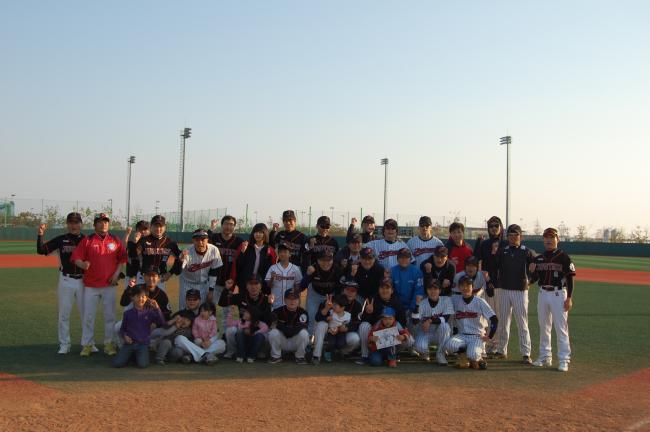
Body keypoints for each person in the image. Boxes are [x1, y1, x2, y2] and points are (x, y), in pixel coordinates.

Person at [71, 213, 127, 357]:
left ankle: (109, 343)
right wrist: (82, 264)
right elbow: (76, 258)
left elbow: (122, 259)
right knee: (89, 316)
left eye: (106, 222)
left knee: (110, 316)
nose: (104, 224)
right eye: (100, 222)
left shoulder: (115, 240)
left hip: (110, 285)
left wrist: (116, 274)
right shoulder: (87, 240)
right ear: (95, 225)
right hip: (91, 286)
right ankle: (87, 344)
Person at [36, 212, 86, 354]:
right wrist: (40, 234)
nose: (73, 225)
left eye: (76, 222)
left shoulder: (87, 240)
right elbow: (41, 250)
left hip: (83, 281)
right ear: (67, 224)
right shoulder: (61, 240)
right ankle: (64, 344)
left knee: (86, 314)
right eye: (71, 222)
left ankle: (88, 343)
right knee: (64, 314)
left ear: (81, 224)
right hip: (66, 280)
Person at [529, 227, 576, 372]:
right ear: (543, 240)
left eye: (551, 237)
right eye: (546, 238)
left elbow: (570, 278)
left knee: (561, 328)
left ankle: (564, 359)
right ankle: (545, 356)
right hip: (543, 293)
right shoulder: (539, 258)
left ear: (557, 239)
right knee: (544, 327)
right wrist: (531, 274)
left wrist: (569, 298)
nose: (549, 240)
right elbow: (535, 278)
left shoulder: (564, 257)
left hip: (558, 294)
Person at [488, 224, 535, 363]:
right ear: (507, 237)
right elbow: (494, 267)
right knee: (503, 322)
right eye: (510, 235)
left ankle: (526, 353)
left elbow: (536, 268)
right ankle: (502, 350)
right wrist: (493, 254)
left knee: (522, 322)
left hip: (520, 291)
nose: (513, 237)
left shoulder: (527, 251)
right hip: (504, 290)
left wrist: (530, 281)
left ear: (521, 236)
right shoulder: (503, 251)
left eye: (516, 235)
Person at [445, 276, 498, 370]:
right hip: (462, 335)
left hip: (477, 336)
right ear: (459, 287)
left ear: (472, 287)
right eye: (462, 285)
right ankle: (465, 357)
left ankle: (477, 358)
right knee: (449, 345)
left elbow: (494, 319)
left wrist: (489, 336)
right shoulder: (455, 300)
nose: (465, 288)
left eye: (468, 285)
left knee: (473, 354)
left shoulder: (480, 301)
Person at [219, 276, 274, 359]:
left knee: (270, 333)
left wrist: (270, 304)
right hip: (243, 329)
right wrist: (226, 289)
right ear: (246, 286)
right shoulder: (241, 296)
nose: (253, 287)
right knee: (230, 330)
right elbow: (222, 303)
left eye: (256, 283)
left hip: (259, 330)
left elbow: (268, 322)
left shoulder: (266, 299)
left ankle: (261, 351)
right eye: (251, 284)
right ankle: (232, 351)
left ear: (261, 286)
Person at [474, 216, 506, 356]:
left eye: (496, 225)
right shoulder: (485, 243)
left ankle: (499, 346)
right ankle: (488, 345)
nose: (493, 228)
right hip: (487, 284)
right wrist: (478, 244)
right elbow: (477, 260)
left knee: (500, 317)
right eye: (491, 226)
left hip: (501, 286)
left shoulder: (505, 243)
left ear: (501, 227)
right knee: (487, 317)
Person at [112, 285, 165, 368]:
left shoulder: (149, 313)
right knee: (117, 364)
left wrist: (157, 308)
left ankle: (135, 356)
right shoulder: (127, 313)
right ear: (132, 297)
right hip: (129, 344)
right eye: (138, 296)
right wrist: (125, 336)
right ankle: (131, 355)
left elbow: (161, 322)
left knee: (142, 365)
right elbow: (122, 329)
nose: (141, 299)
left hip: (142, 344)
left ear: (147, 298)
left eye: (143, 297)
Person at [356, 278, 408, 365]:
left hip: (391, 335)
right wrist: (368, 313)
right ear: (378, 289)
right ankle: (365, 356)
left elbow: (403, 322)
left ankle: (394, 354)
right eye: (382, 288)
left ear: (392, 290)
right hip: (375, 334)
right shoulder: (371, 300)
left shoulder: (397, 302)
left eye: (387, 288)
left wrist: (401, 335)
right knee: (364, 326)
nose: (384, 290)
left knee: (408, 339)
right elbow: (363, 321)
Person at [312, 278, 363, 364]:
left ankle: (342, 353)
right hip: (328, 331)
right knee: (321, 325)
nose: (350, 292)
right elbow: (317, 318)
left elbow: (357, 323)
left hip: (342, 333)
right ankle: (317, 355)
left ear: (356, 293)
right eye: (347, 289)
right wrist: (326, 308)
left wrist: (347, 328)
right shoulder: (331, 300)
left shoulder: (357, 306)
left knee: (355, 339)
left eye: (353, 291)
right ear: (343, 290)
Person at [127, 215, 182, 291]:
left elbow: (180, 257)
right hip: (143, 278)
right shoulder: (143, 240)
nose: (158, 229)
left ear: (165, 227)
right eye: (156, 226)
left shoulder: (170, 242)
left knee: (158, 298)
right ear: (151, 227)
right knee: (141, 298)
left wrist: (170, 273)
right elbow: (133, 255)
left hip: (159, 279)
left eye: (161, 226)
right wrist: (135, 242)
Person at [299, 250, 343, 335]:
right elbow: (302, 287)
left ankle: (327, 337)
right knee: (312, 316)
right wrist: (307, 275)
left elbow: (339, 288)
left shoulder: (337, 269)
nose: (326, 263)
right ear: (318, 260)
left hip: (331, 295)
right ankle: (310, 338)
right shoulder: (313, 268)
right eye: (323, 260)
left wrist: (336, 302)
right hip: (315, 294)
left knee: (331, 317)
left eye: (328, 260)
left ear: (332, 260)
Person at [178, 229, 223, 310]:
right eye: (197, 240)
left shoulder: (214, 250)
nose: (200, 242)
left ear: (207, 240)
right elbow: (178, 270)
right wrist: (180, 261)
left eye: (203, 239)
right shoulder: (187, 251)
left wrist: (211, 290)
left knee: (201, 310)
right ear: (193, 240)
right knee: (185, 310)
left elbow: (214, 270)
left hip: (203, 284)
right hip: (187, 284)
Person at [208, 215, 244, 309]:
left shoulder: (239, 241)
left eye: (231, 224)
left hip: (230, 282)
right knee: (210, 308)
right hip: (214, 281)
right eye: (226, 224)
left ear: (234, 227)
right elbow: (205, 240)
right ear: (222, 225)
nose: (228, 226)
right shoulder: (214, 238)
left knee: (227, 310)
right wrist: (211, 228)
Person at [413, 280, 453, 364]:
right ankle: (425, 352)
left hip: (440, 333)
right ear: (427, 290)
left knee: (445, 326)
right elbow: (415, 321)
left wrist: (429, 321)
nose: (432, 291)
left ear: (440, 290)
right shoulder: (422, 303)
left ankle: (440, 354)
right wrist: (417, 305)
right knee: (419, 347)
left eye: (435, 289)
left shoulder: (446, 300)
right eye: (430, 289)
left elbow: (446, 318)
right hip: (426, 332)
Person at [232, 223, 277, 293]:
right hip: (245, 285)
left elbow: (271, 270)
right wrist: (242, 252)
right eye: (256, 232)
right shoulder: (245, 246)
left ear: (265, 234)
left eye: (260, 232)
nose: (258, 234)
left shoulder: (270, 250)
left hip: (261, 286)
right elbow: (238, 266)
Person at [268, 289, 310, 364]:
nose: (292, 301)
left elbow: (299, 328)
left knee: (304, 334)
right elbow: (272, 324)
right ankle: (276, 356)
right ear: (284, 300)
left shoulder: (303, 312)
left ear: (299, 300)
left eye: (295, 299)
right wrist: (286, 328)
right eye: (289, 299)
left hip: (295, 342)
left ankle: (300, 357)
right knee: (273, 333)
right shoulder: (277, 311)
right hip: (283, 341)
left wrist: (281, 326)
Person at [390, 248, 424, 324]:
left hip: (412, 307)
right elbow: (390, 292)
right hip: (396, 307)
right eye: (401, 257)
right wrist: (397, 307)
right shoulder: (392, 271)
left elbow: (419, 291)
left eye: (406, 257)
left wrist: (413, 308)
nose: (404, 260)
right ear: (397, 259)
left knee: (413, 326)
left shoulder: (417, 271)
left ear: (410, 259)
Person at [265, 243, 302, 309]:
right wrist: (272, 278)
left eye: (285, 252)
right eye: (280, 252)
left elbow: (298, 287)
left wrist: (298, 303)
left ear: (290, 254)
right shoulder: (273, 268)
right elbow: (268, 286)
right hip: (275, 303)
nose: (282, 254)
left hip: (290, 304)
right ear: (278, 254)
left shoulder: (295, 269)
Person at [123, 220, 150, 287]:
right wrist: (127, 234)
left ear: (149, 230)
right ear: (136, 230)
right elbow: (123, 247)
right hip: (130, 276)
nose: (142, 231)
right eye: (140, 229)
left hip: (145, 277)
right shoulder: (131, 244)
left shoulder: (151, 244)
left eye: (145, 229)